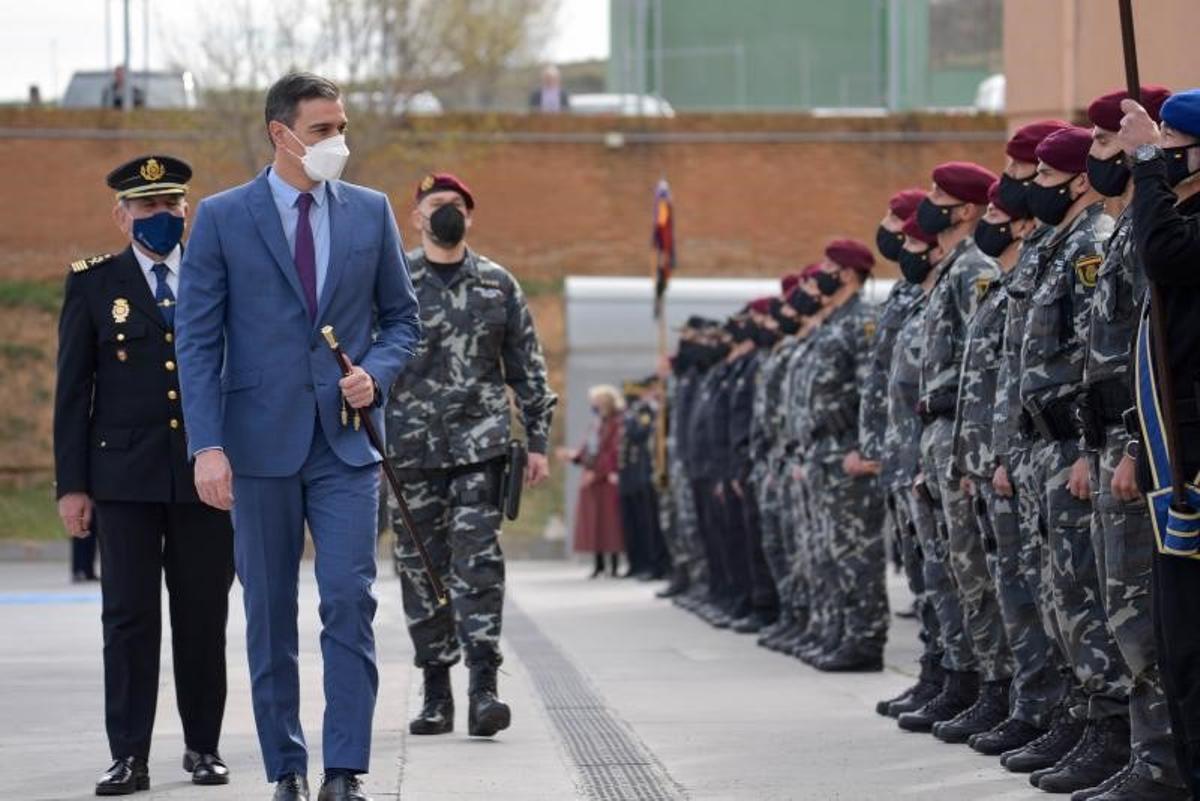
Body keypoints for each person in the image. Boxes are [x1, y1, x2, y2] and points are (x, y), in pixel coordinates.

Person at [176, 72, 422, 801]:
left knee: (349, 598)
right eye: (322, 130)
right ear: (281, 135)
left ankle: (344, 769)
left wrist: (373, 373)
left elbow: (402, 319)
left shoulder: (371, 214)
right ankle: (286, 766)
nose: (337, 142)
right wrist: (206, 445)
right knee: (268, 611)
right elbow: (196, 339)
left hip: (346, 445)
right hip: (256, 447)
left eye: (341, 127)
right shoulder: (221, 218)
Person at [53, 154, 236, 795]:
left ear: (187, 209)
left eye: (171, 205)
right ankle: (128, 755)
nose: (161, 217)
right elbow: (73, 392)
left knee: (202, 614)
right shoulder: (94, 284)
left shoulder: (216, 277)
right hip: (123, 480)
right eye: (148, 207)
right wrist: (71, 485)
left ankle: (204, 748)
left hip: (205, 477)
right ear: (122, 214)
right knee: (128, 618)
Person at [386, 171, 555, 741]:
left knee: (478, 565)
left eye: (456, 204)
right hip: (409, 452)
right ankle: (437, 691)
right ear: (416, 216)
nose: (447, 212)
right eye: (437, 204)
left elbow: (528, 370)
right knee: (420, 568)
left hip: (479, 449)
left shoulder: (497, 285)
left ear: (470, 215)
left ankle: (484, 688)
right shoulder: (392, 282)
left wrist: (537, 444)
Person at [1078, 85, 1188, 801]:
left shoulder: (1162, 225)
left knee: (1146, 616)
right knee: (1118, 610)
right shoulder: (1125, 227)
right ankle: (1126, 740)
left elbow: (1142, 354)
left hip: (1152, 442)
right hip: (1124, 442)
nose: (1104, 158)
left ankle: (1159, 757)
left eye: (1110, 143)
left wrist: (1125, 445)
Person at [1014, 126, 1131, 795]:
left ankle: (1110, 728)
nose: (1027, 188)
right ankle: (1079, 715)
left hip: (1079, 446)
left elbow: (1100, 362)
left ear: (1077, 179)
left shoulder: (1088, 246)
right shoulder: (1059, 245)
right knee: (1059, 593)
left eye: (1039, 176)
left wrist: (1090, 446)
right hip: (1049, 446)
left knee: (1089, 597)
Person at [950, 179, 1064, 751]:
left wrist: (1005, 456)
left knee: (1049, 592)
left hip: (1044, 453)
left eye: (999, 211)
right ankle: (1016, 698)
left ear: (1021, 223)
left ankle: (1059, 713)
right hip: (1005, 457)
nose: (987, 221)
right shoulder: (1004, 283)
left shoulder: (1060, 261)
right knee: (1009, 585)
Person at [901, 161, 1014, 736]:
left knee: (976, 570)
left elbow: (986, 365)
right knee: (951, 568)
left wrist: (976, 452)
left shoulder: (973, 270)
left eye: (939, 196)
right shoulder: (950, 270)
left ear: (965, 209)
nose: (929, 204)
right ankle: (963, 677)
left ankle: (994, 685)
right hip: (939, 435)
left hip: (961, 435)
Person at [1118, 86, 1200, 801]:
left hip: (1197, 461)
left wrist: (1144, 161)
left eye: (1173, 152)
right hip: (1176, 456)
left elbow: (1165, 254)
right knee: (1178, 645)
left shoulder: (1188, 228)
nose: (1162, 165)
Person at [565, 385, 626, 577]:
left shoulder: (616, 423)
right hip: (591, 479)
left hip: (606, 480)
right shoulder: (596, 423)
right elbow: (588, 448)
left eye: (597, 402)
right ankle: (598, 564)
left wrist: (598, 473)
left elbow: (612, 452)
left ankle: (614, 565)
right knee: (594, 524)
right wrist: (574, 457)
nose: (594, 405)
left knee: (610, 524)